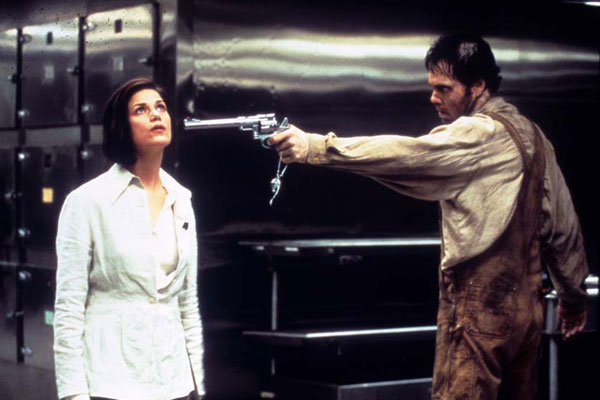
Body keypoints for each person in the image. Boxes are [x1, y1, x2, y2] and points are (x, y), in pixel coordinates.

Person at [268, 33, 588, 400]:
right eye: (432, 87)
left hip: (479, 311)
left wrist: (316, 147)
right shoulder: (535, 137)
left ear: (478, 86)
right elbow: (563, 229)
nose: (433, 97)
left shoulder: (478, 133)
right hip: (527, 313)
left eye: (444, 88)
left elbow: (408, 155)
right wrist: (572, 297)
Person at [54, 78, 204, 400]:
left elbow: (187, 302)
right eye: (141, 110)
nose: (156, 115)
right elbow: (68, 308)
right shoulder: (87, 201)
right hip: (110, 382)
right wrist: (73, 394)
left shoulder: (181, 199)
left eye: (160, 107)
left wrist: (198, 386)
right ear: (122, 126)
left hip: (172, 382)